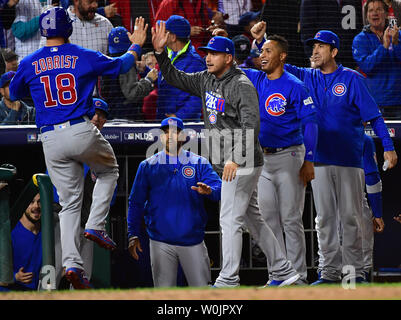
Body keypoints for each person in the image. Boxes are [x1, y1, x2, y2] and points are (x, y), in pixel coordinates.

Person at [9, 7, 148, 289]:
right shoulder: (81, 54)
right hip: (79, 128)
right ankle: (96, 225)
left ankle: (72, 263)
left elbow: (13, 93)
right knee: (109, 170)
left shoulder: (29, 61)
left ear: (44, 30)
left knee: (70, 203)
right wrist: (136, 45)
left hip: (48, 138)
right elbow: (121, 65)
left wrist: (37, 96)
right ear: (67, 29)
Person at [152, 23, 300, 288]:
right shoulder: (206, 79)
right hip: (229, 162)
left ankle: (228, 280)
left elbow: (251, 125)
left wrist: (234, 158)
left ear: (228, 58)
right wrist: (161, 53)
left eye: (214, 53)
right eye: (206, 52)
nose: (208, 57)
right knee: (255, 220)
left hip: (242, 162)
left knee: (229, 219)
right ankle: (284, 270)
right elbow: (174, 77)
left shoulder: (241, 85)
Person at [257, 26, 397, 284]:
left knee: (350, 219)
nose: (315, 51)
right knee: (325, 220)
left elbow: (375, 116)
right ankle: (329, 273)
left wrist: (388, 146)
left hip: (348, 160)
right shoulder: (305, 76)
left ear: (333, 51)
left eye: (320, 46)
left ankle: (353, 275)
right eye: (313, 47)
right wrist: (260, 42)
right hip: (318, 160)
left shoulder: (352, 79)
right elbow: (276, 63)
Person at [242, 33, 318, 285]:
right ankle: (278, 275)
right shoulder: (256, 78)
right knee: (268, 220)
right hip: (263, 160)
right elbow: (231, 66)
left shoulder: (295, 84)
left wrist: (309, 160)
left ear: (282, 56)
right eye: (261, 51)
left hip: (290, 156)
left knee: (291, 219)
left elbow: (310, 123)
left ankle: (298, 277)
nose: (262, 55)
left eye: (267, 51)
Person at [127, 117, 221, 287]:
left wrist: (210, 191)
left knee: (203, 294)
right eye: (165, 132)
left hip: (193, 240)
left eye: (175, 132)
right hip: (160, 240)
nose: (169, 136)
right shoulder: (148, 165)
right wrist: (132, 233)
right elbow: (135, 202)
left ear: (183, 136)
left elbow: (219, 188)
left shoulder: (198, 163)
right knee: (165, 296)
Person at [353, 0, 401, 119]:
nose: (375, 13)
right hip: (374, 102)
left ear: (386, 14)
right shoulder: (360, 40)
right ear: (367, 15)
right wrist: (384, 47)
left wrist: (396, 43)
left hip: (399, 101)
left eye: (379, 9)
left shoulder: (397, 34)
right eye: (371, 10)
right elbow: (367, 67)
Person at [101, 26, 157, 120]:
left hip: (110, 115)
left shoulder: (107, 60)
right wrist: (148, 80)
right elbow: (132, 94)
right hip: (127, 117)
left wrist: (142, 71)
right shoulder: (126, 63)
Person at [156, 15, 206, 121]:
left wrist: (179, 117)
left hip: (184, 126)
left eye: (165, 31)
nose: (162, 34)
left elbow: (198, 97)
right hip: (163, 120)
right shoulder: (166, 54)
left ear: (173, 37)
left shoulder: (195, 62)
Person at [10, 193, 42, 291]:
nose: (36, 206)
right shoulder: (10, 230)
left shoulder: (48, 231)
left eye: (39, 202)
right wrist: (15, 276)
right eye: (31, 202)